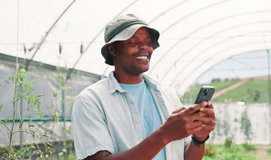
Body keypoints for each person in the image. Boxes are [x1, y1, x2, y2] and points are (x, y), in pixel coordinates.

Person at [72, 14, 215, 160]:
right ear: (113, 50)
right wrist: (165, 135)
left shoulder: (167, 95)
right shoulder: (91, 100)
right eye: (133, 42)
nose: (144, 48)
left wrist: (199, 139)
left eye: (148, 42)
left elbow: (186, 156)